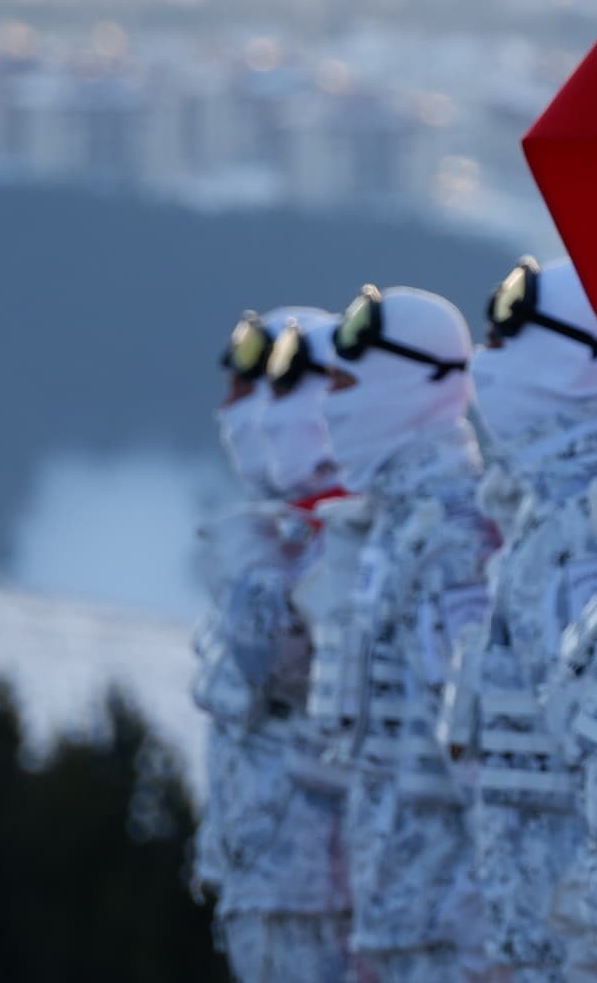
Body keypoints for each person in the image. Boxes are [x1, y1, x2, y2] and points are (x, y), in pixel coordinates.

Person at [440, 259, 597, 978]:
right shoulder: (536, 512)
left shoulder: (590, 520)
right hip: (532, 920)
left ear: (573, 358)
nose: (484, 365)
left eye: (505, 341)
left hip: (576, 929)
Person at [312, 284, 496, 983]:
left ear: (406, 382)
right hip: (398, 925)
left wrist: (481, 936)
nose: (329, 403)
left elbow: (476, 756)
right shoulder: (393, 527)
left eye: (345, 382)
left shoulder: (454, 536)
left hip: (448, 938)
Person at [197, 306, 353, 983]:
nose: (240, 411)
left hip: (327, 885)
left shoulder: (346, 528)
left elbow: (283, 669)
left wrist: (250, 572)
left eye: (273, 385)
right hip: (267, 871)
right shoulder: (284, 527)